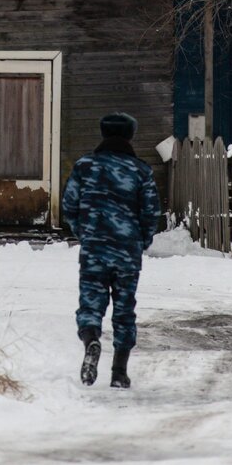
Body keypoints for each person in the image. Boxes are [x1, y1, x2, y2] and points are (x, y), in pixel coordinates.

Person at [61, 112, 161, 388]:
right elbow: (151, 213)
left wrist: (83, 232)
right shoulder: (140, 171)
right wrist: (141, 240)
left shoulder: (85, 166)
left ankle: (91, 340)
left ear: (103, 134)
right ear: (130, 136)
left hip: (94, 247)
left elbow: (69, 204)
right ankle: (119, 371)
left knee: (91, 304)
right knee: (124, 309)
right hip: (127, 252)